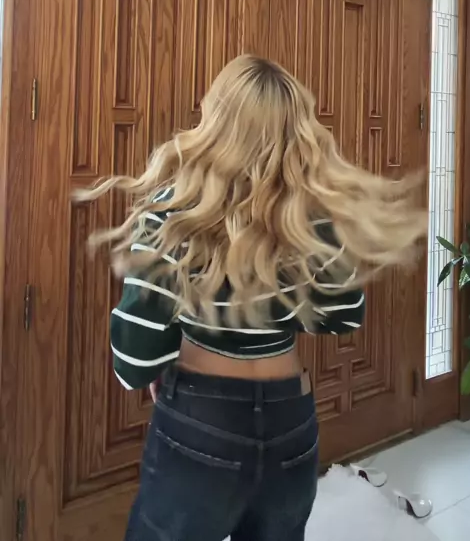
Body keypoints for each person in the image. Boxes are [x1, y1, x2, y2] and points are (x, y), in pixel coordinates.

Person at [76, 55, 426, 541]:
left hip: (199, 418)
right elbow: (343, 314)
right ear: (298, 132)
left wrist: (163, 358)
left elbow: (134, 360)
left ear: (215, 120)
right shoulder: (310, 220)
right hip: (291, 421)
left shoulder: (174, 212)